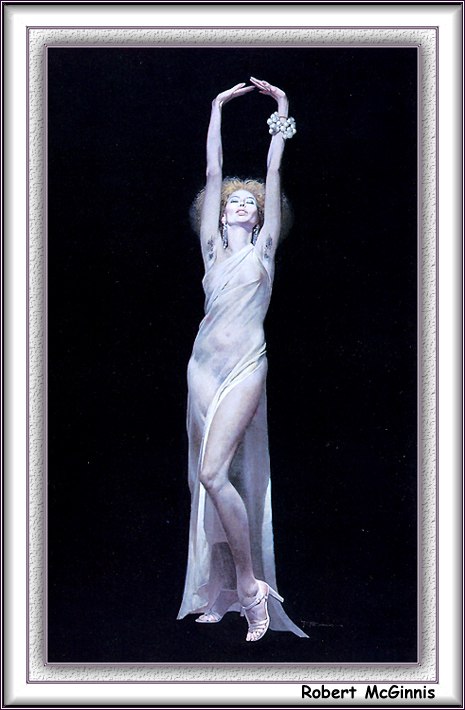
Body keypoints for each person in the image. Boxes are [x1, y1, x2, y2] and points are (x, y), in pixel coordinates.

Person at [177, 78, 307, 642]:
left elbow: (274, 174)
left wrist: (282, 109)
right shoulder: (211, 249)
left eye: (248, 203)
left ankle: (252, 589)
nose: (239, 203)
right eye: (233, 200)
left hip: (245, 365)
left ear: (258, 218)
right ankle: (220, 589)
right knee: (207, 480)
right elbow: (213, 172)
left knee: (216, 472)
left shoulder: (264, 251)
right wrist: (215, 109)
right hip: (202, 368)